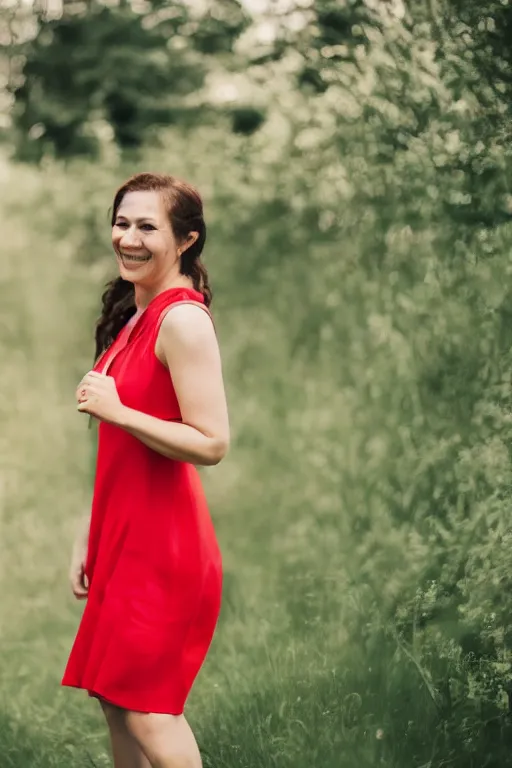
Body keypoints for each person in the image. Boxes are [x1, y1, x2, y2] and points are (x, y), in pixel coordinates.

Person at [61, 172, 230, 768]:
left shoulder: (182, 321)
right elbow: (120, 446)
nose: (128, 238)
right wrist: (92, 527)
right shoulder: (137, 314)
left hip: (165, 545)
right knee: (115, 699)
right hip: (124, 535)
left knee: (149, 711)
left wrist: (120, 410)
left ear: (186, 240)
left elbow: (212, 442)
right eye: (122, 222)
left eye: (147, 227)